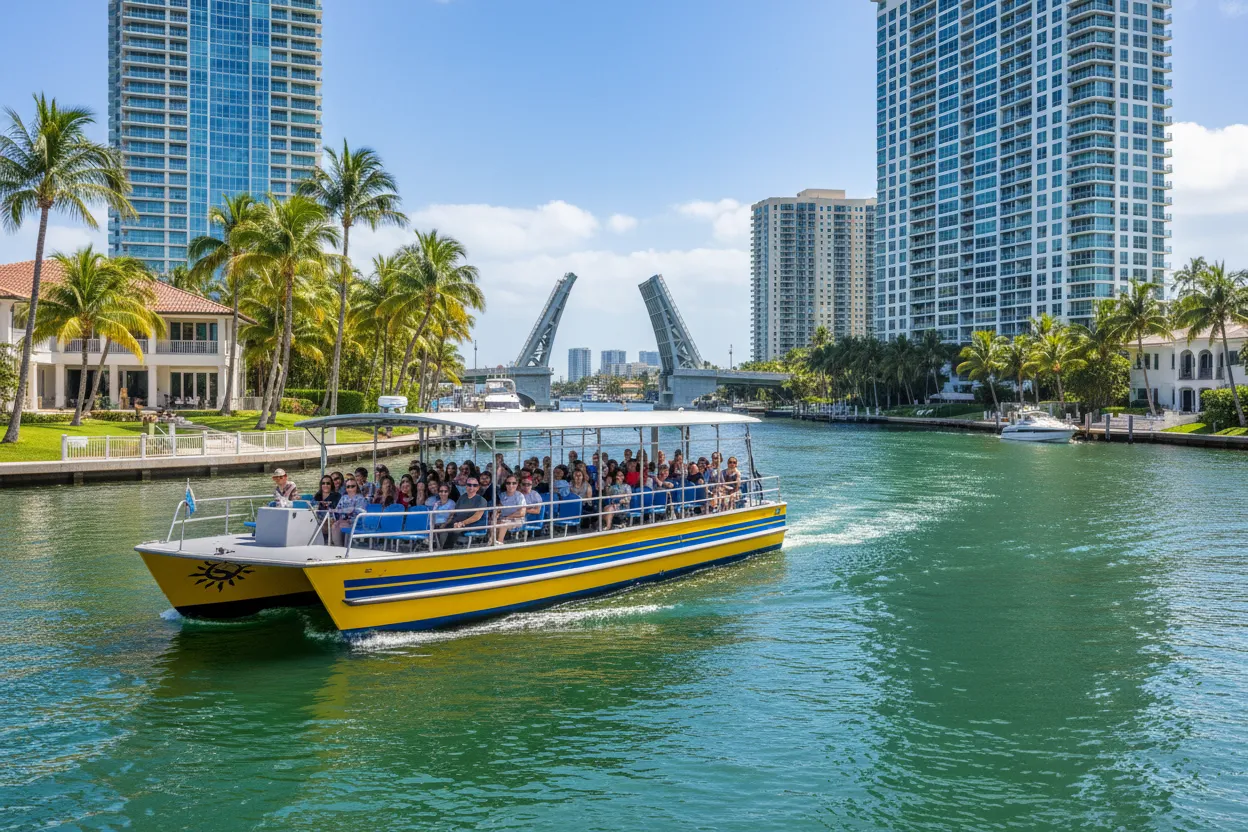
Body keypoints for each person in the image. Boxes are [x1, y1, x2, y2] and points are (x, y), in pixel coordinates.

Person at [446, 478, 488, 548]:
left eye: (474, 485)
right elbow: (455, 511)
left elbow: (477, 516)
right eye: (469, 485)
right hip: (458, 522)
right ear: (466, 486)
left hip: (472, 524)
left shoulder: (482, 500)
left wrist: (462, 523)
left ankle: (447, 551)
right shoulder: (462, 497)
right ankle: (438, 548)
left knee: (455, 530)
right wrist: (448, 522)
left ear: (478, 487)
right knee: (440, 528)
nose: (471, 487)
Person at [331, 479, 369, 546]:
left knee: (340, 525)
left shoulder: (360, 498)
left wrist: (344, 512)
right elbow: (337, 509)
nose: (350, 488)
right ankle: (338, 547)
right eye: (348, 486)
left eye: (352, 486)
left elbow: (359, 513)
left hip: (356, 523)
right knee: (334, 525)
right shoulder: (343, 497)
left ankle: (343, 547)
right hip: (343, 520)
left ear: (356, 487)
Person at [493, 475, 527, 543]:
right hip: (503, 517)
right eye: (508, 483)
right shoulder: (502, 495)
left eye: (513, 483)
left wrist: (508, 517)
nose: (511, 485)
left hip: (517, 519)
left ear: (517, 484)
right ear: (505, 484)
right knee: (493, 523)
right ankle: (492, 542)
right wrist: (495, 515)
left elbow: (522, 513)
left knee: (504, 522)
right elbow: (499, 508)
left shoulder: (520, 496)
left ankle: (500, 543)